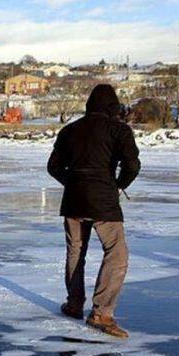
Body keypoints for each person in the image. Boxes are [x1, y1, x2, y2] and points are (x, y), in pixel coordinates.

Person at [47, 84, 140, 338]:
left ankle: (75, 303)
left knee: (76, 251)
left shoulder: (69, 130)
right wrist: (118, 185)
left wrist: (73, 182)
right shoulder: (119, 130)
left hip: (74, 200)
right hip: (103, 201)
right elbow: (132, 165)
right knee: (117, 253)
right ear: (113, 106)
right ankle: (101, 313)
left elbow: (53, 166)